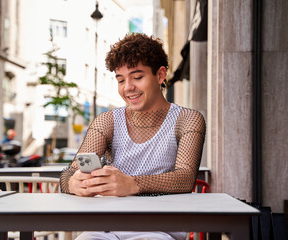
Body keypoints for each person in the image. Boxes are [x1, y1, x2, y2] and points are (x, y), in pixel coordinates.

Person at [59, 33, 206, 240]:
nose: (128, 87)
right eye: (121, 80)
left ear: (160, 75)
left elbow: (185, 178)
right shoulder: (107, 120)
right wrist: (74, 183)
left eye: (137, 77)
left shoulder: (188, 119)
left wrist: (133, 184)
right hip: (105, 228)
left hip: (159, 230)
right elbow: (68, 173)